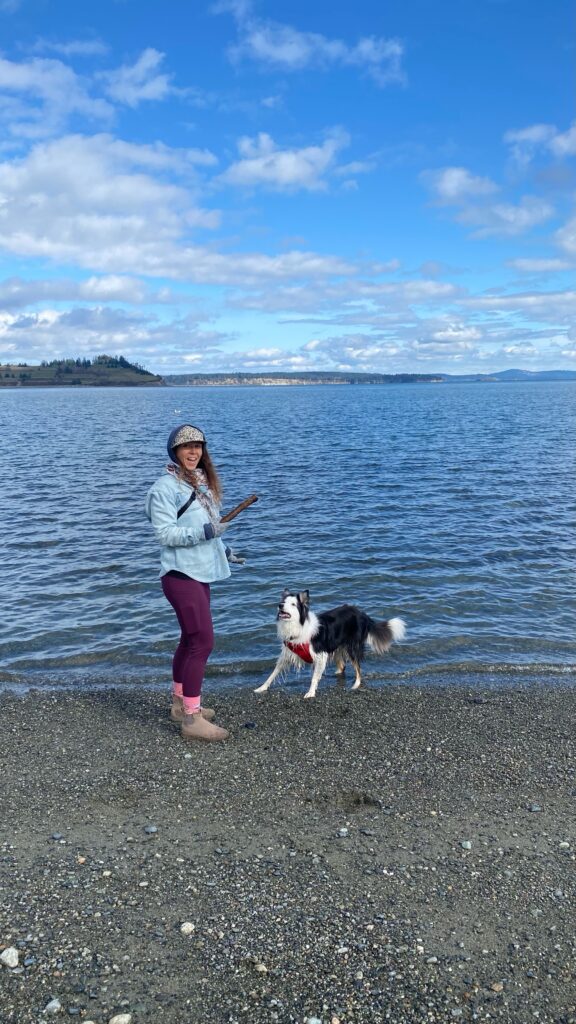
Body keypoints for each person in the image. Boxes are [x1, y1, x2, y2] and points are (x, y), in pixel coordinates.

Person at [145, 423, 243, 742]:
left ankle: (179, 703)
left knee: (189, 640)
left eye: (198, 446)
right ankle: (191, 719)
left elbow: (207, 530)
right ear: (174, 451)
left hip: (200, 572)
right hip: (180, 576)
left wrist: (225, 550)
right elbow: (166, 535)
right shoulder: (164, 487)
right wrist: (206, 533)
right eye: (186, 447)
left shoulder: (199, 484)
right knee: (203, 641)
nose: (193, 452)